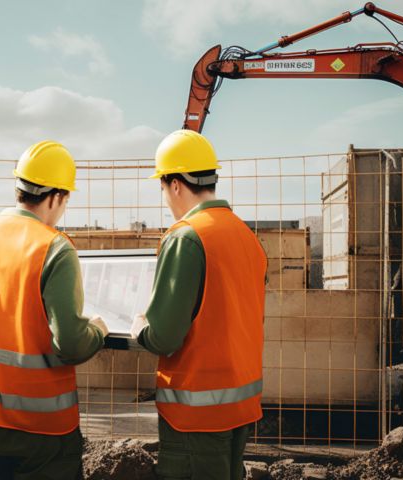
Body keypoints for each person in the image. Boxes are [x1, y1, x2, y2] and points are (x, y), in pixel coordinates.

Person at [0, 140, 109, 480]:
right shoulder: (53, 247)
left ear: (19, 188)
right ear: (57, 197)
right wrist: (98, 331)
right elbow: (71, 344)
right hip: (44, 433)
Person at [130, 130, 267, 480]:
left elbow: (164, 337)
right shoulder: (245, 236)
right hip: (238, 408)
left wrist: (140, 328)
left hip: (195, 414)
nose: (164, 197)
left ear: (175, 184)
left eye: (162, 187)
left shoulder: (186, 236)